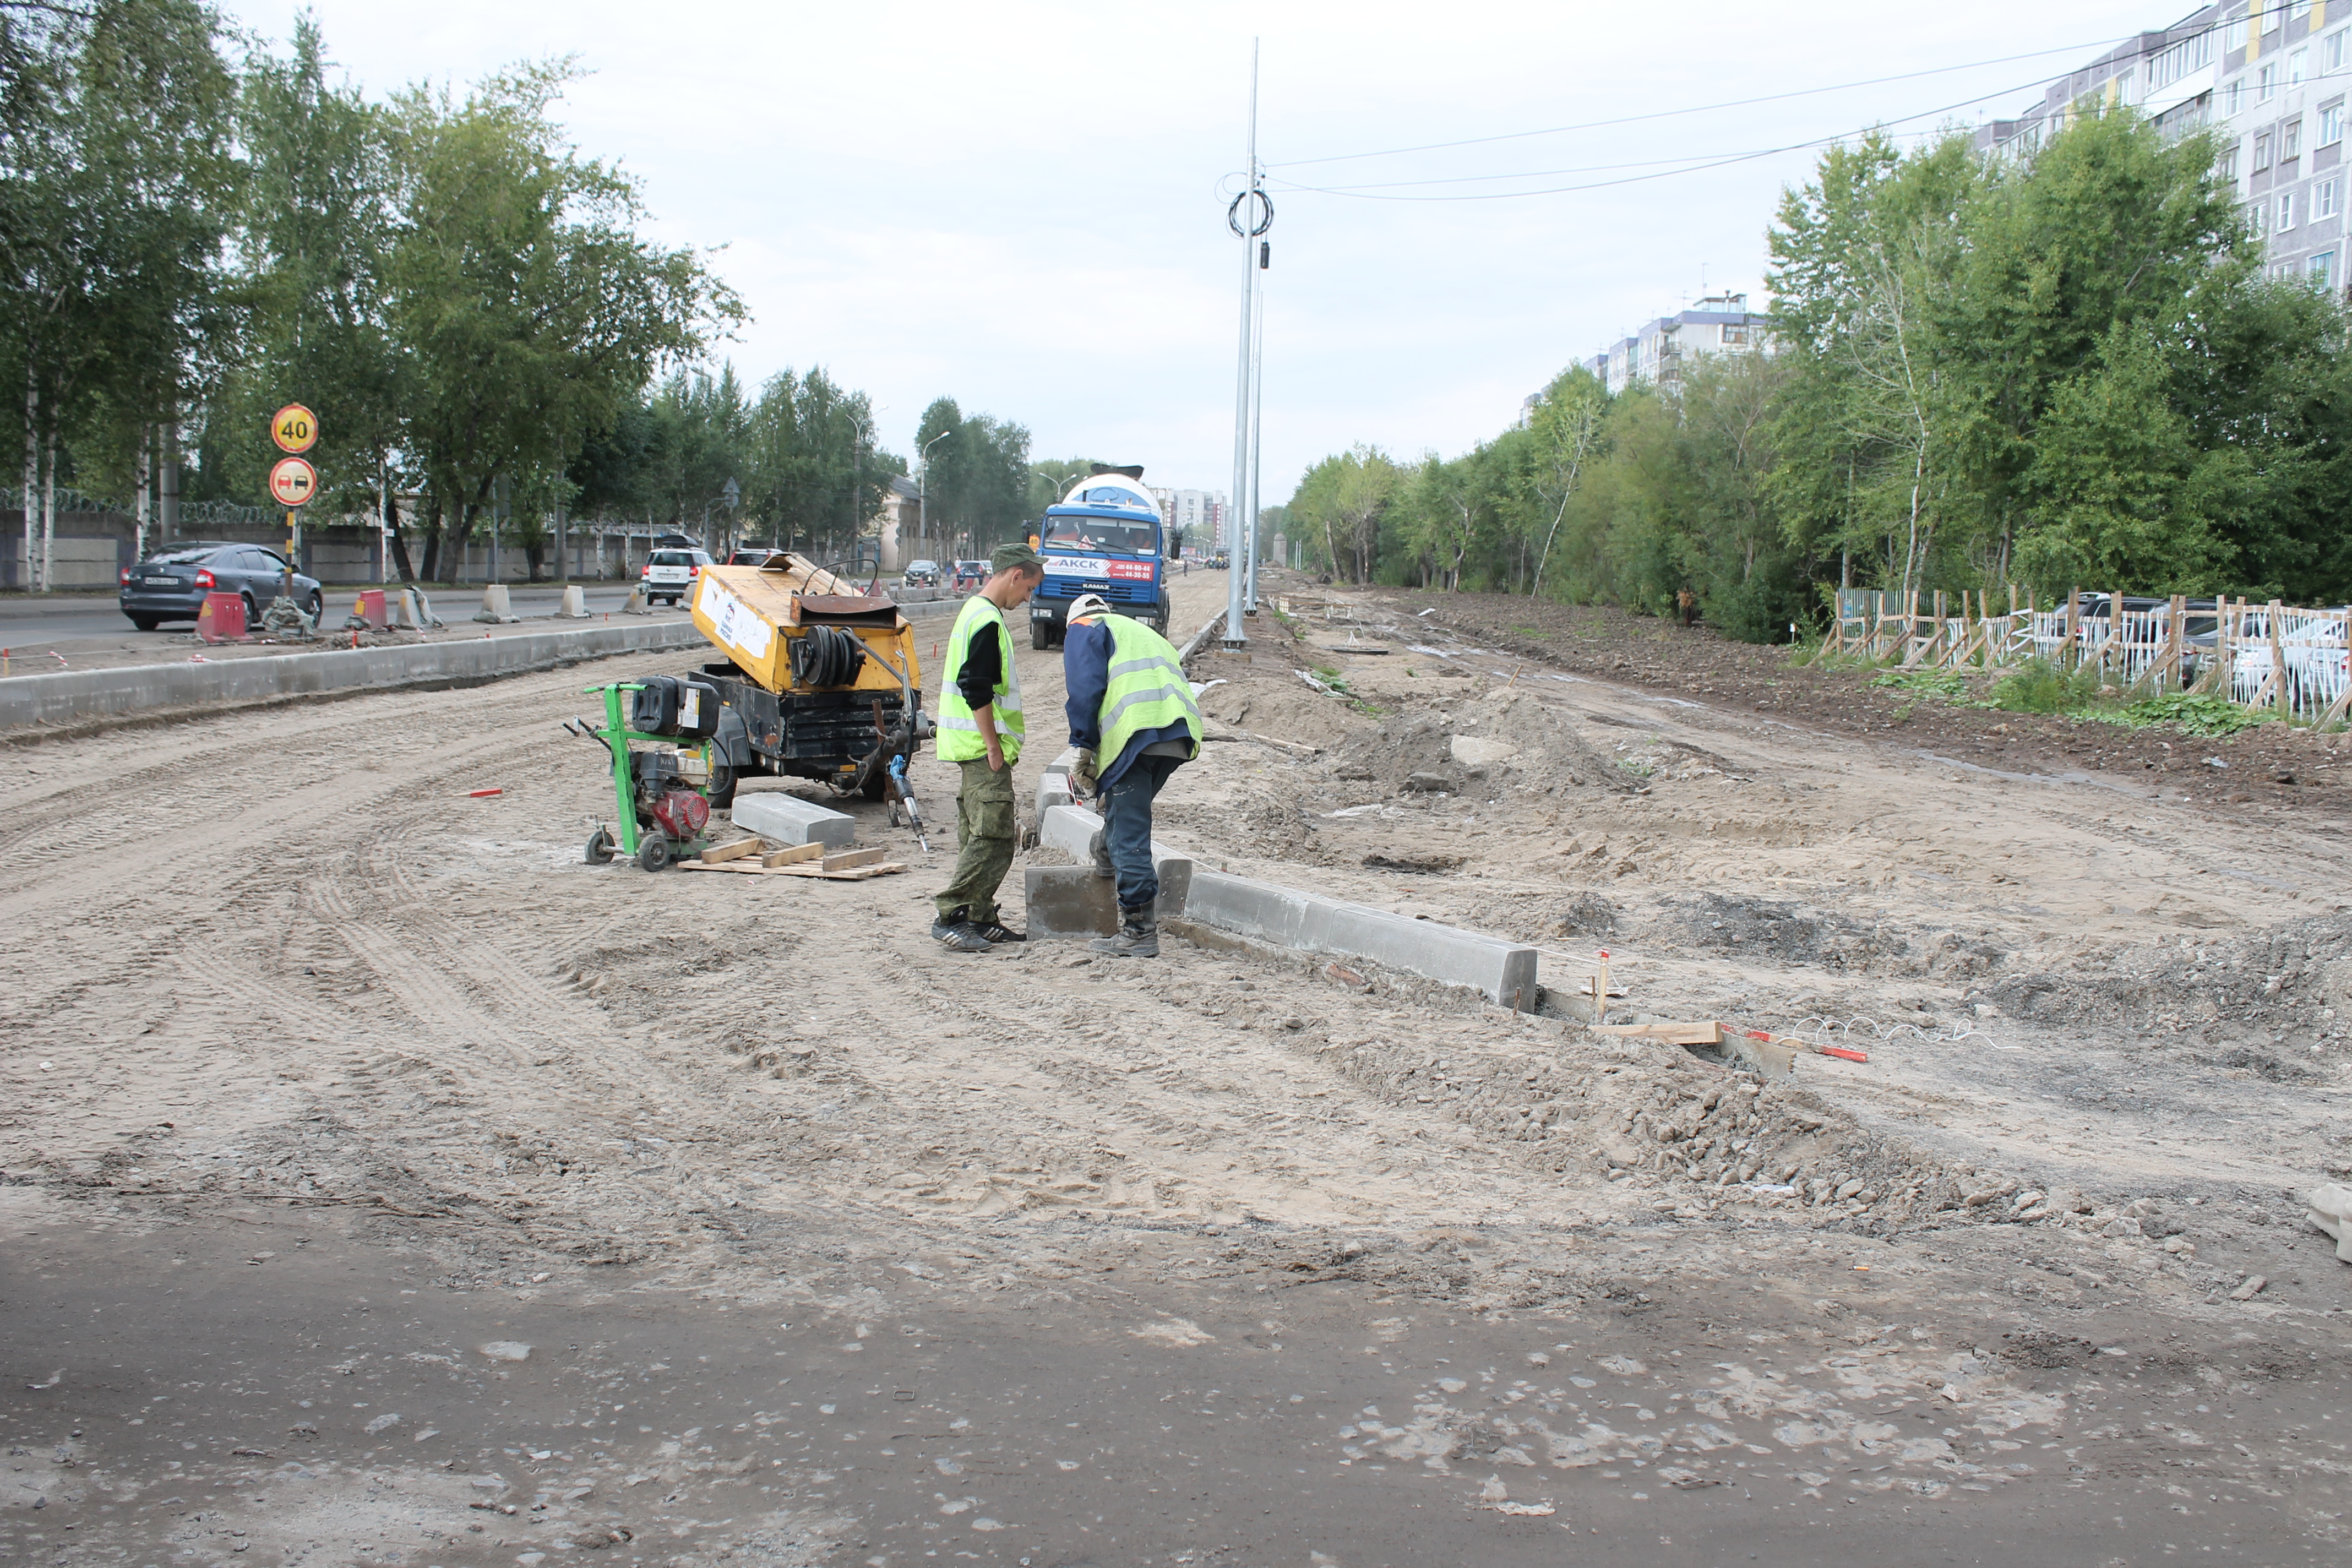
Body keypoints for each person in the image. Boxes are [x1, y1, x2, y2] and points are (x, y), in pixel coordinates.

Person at [1061, 592, 1203, 959]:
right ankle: (1105, 849)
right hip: (1177, 733)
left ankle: (1139, 932)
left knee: (1130, 832)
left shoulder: (1084, 627)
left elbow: (1085, 691)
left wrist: (1085, 745)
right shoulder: (1139, 631)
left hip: (1136, 733)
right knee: (1127, 815)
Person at [929, 542, 1043, 951]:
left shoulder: (974, 612)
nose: (1027, 599)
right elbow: (975, 687)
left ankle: (980, 916)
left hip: (968, 746)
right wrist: (994, 746)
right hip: (981, 749)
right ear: (1015, 575)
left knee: (975, 832)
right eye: (1029, 589)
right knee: (993, 838)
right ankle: (953, 914)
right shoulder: (988, 621)